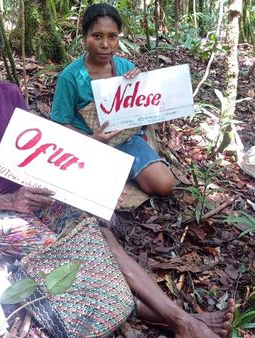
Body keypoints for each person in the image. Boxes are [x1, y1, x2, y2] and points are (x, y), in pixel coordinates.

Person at [0, 11, 240, 338]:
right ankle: (183, 322)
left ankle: (179, 321)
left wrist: (82, 183)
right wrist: (9, 202)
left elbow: (31, 152)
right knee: (71, 257)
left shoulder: (10, 95)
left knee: (98, 235)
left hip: (29, 191)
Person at [50, 3, 175, 197]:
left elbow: (141, 110)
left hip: (125, 139)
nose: (105, 45)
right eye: (97, 36)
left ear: (119, 38)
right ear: (84, 37)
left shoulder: (125, 67)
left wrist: (142, 86)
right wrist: (92, 140)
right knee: (95, 197)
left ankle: (121, 168)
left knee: (164, 185)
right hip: (86, 143)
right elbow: (59, 124)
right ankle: (116, 171)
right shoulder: (71, 77)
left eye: (112, 36)